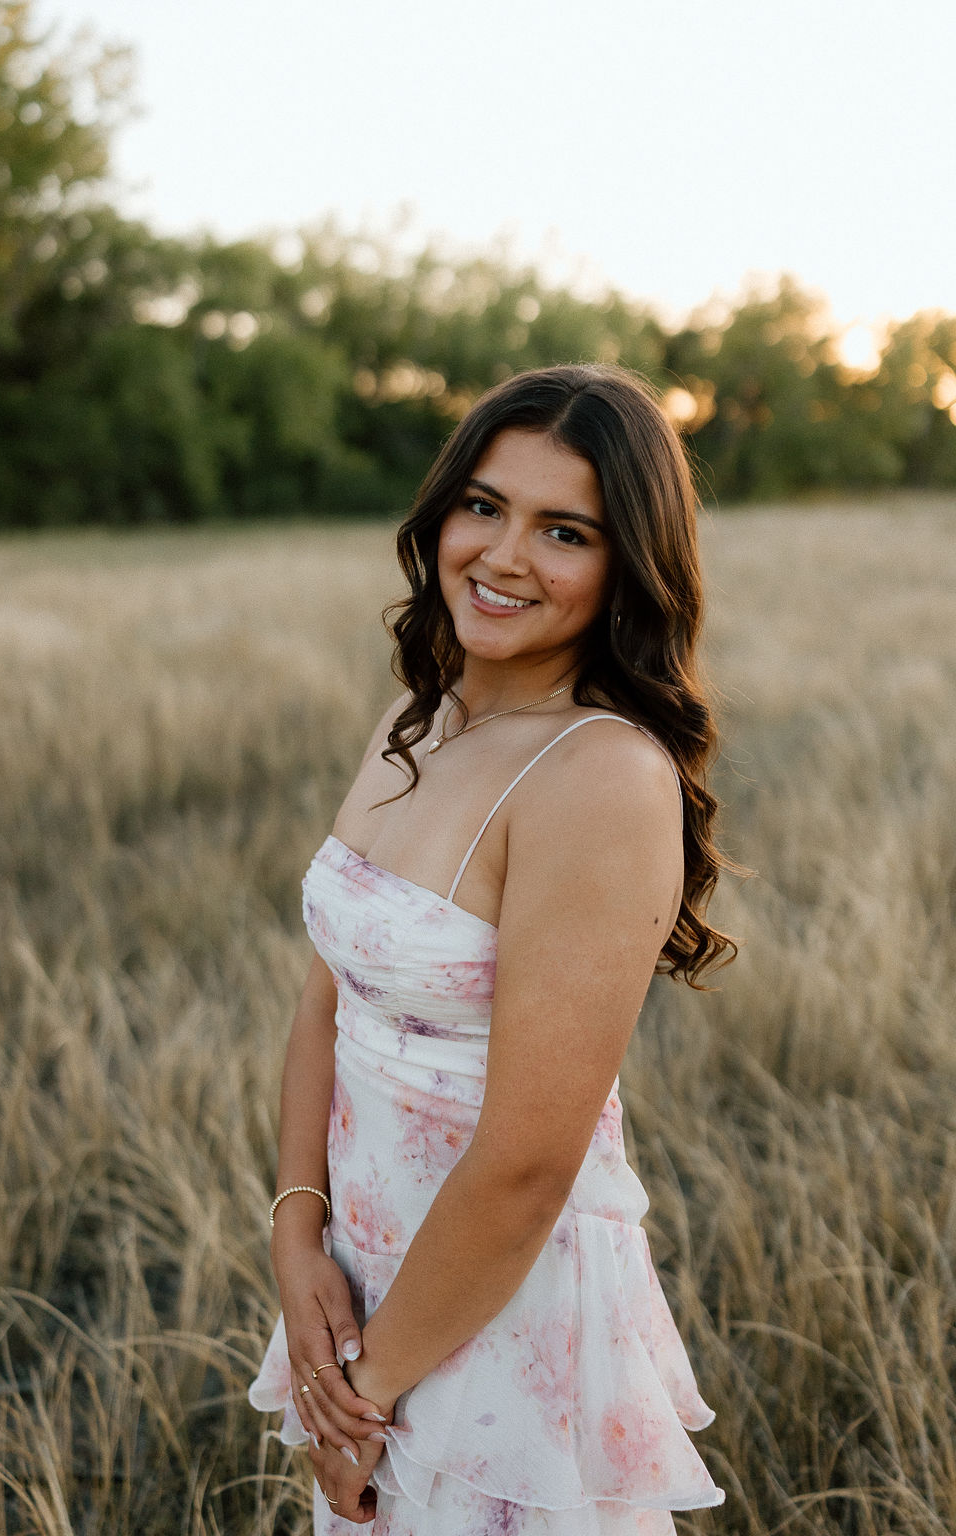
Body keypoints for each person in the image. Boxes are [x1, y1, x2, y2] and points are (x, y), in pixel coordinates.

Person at [248, 363, 734, 1534]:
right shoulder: (417, 720)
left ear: (628, 565)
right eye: (483, 506)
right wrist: (295, 1229)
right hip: (361, 1278)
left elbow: (525, 1164)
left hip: (492, 1318)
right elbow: (329, 992)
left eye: (563, 531)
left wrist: (365, 1398)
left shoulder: (601, 776)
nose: (504, 556)